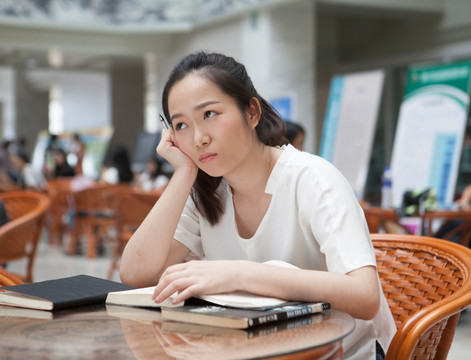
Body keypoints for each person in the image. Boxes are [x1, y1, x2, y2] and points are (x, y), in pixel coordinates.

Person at [120, 51, 395, 359]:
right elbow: (135, 273)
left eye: (209, 114)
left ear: (251, 112)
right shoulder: (207, 192)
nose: (198, 138)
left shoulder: (313, 179)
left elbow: (365, 296)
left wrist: (239, 274)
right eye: (181, 125)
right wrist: (184, 172)